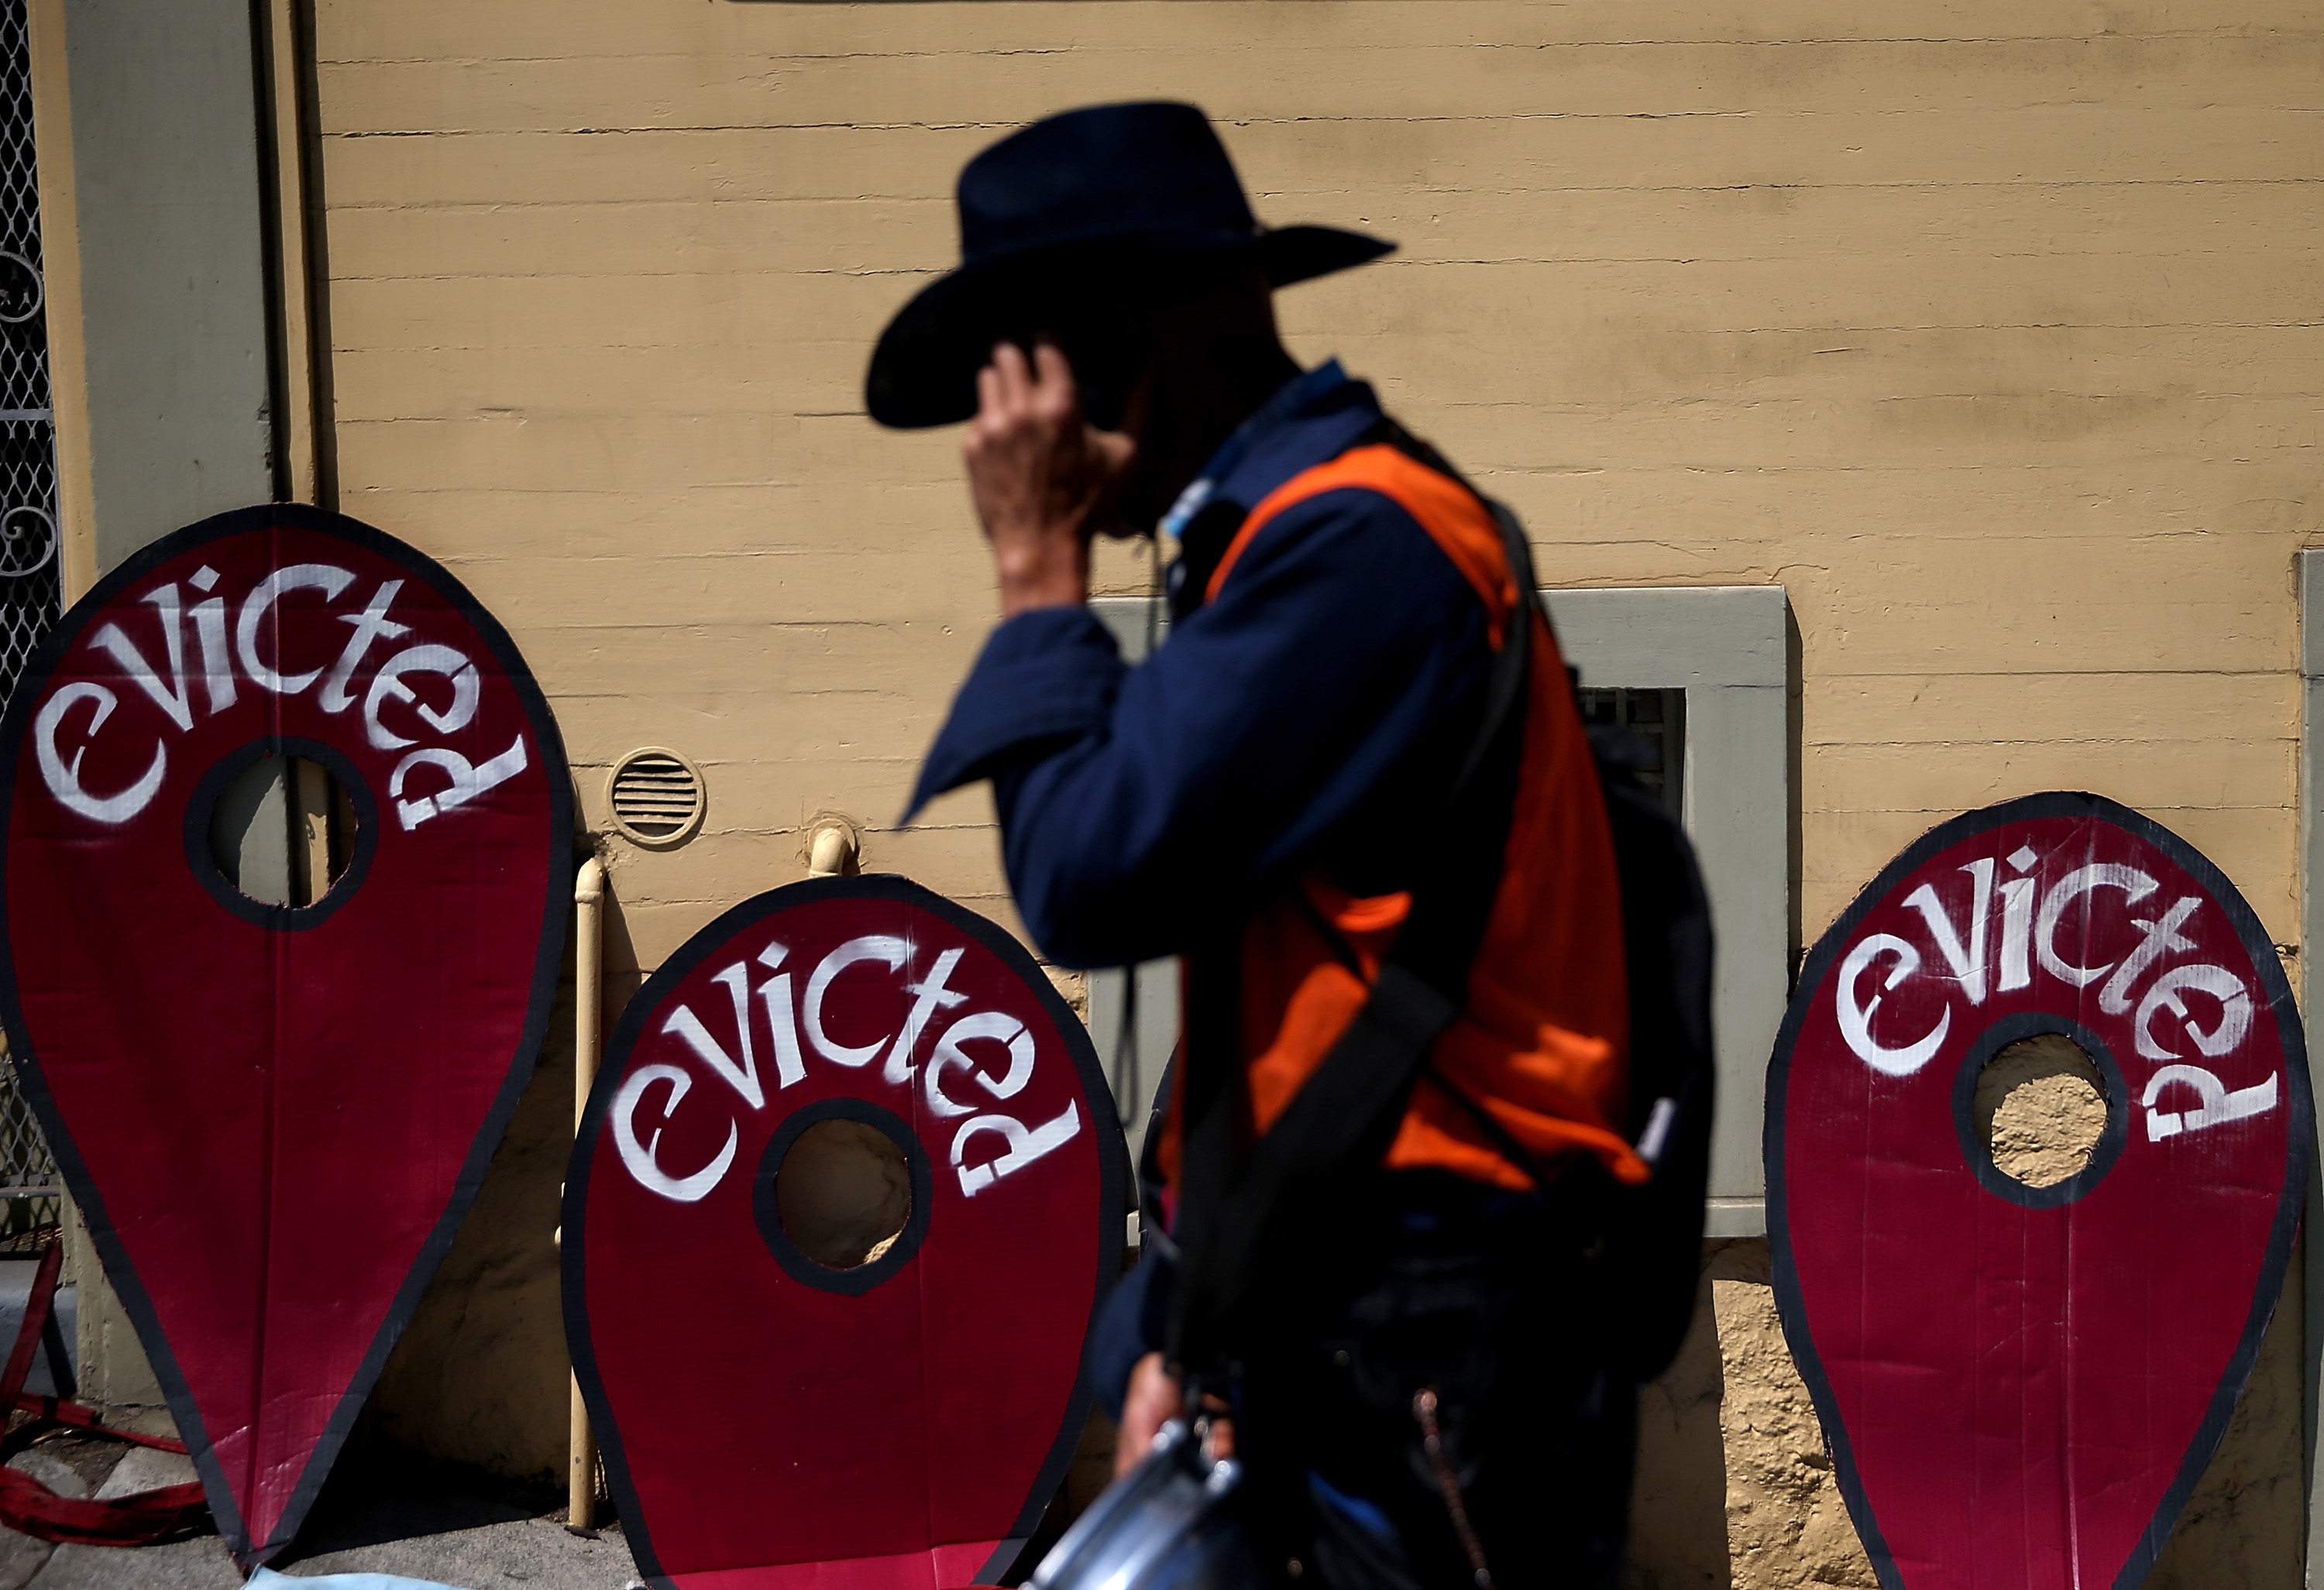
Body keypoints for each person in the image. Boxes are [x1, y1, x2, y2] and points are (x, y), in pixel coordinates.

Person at [872, 103, 1645, 1590]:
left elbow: (1088, 872)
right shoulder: (1288, 539)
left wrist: (1038, 574)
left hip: (1431, 1334)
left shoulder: (1360, 549)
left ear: (1114, 343)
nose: (1013, 431)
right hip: (1354, 1311)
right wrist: (1188, 1321)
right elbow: (1302, 1003)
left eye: (1030, 374)